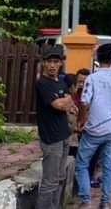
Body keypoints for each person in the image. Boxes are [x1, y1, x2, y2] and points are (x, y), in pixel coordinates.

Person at [75, 43, 111, 209]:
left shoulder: (92, 78)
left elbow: (84, 102)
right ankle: (105, 202)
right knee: (108, 166)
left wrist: (82, 120)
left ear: (97, 59)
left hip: (93, 129)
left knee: (82, 164)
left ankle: (85, 200)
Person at [36, 45, 78, 209]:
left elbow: (70, 102)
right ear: (44, 63)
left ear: (61, 63)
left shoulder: (60, 81)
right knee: (49, 182)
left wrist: (67, 101)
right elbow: (60, 105)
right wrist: (66, 100)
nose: (52, 65)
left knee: (60, 178)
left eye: (56, 61)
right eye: (49, 62)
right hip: (51, 138)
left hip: (64, 135)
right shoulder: (43, 84)